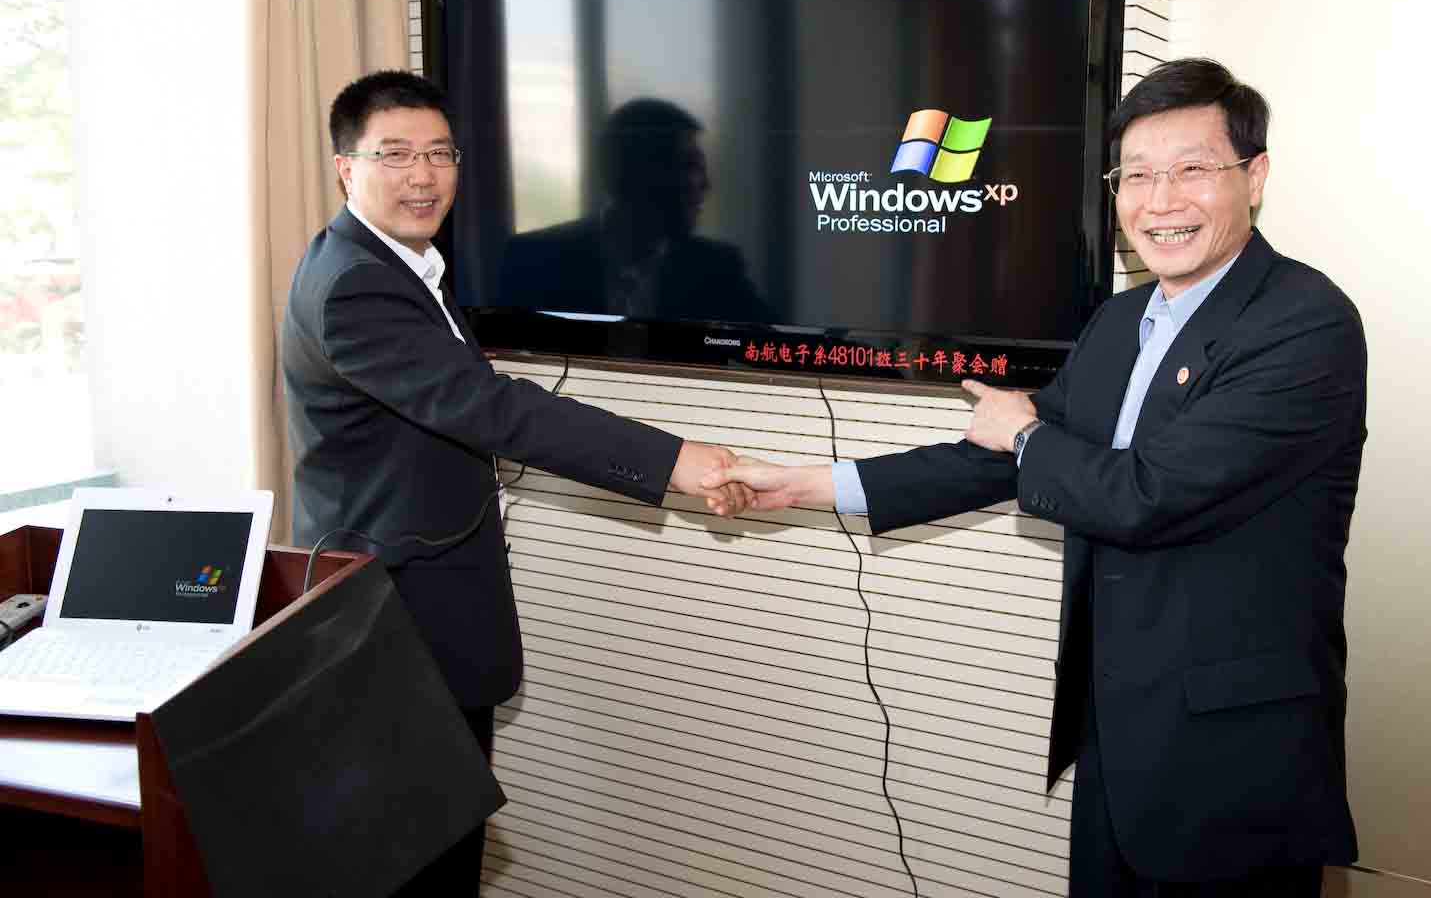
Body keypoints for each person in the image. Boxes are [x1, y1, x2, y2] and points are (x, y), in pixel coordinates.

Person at [705, 58, 1366, 895]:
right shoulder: (1121, 319)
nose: (1159, 201)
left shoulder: (1302, 323)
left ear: (1254, 176)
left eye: (1192, 169)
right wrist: (804, 485)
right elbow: (999, 457)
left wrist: (1022, 434)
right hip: (1117, 731)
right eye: (1135, 176)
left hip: (1232, 754)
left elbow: (1146, 495)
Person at [281, 70, 748, 894]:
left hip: (410, 600)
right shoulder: (357, 284)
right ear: (346, 167)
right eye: (395, 154)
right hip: (401, 621)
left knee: (434, 841)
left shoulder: (386, 261)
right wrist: (675, 460)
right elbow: (491, 408)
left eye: (439, 154)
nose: (423, 176)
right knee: (423, 856)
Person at [498, 97, 771, 323]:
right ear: (635, 173)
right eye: (690, 166)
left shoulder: (717, 270)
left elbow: (772, 348)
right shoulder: (534, 262)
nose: (706, 186)